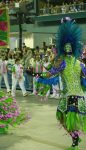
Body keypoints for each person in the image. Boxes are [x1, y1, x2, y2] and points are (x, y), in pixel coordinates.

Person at [36, 17, 86, 150]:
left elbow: (50, 74)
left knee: (66, 120)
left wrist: (36, 75)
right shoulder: (80, 64)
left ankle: (75, 143)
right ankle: (75, 139)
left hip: (70, 96)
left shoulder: (64, 62)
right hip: (78, 96)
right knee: (67, 119)